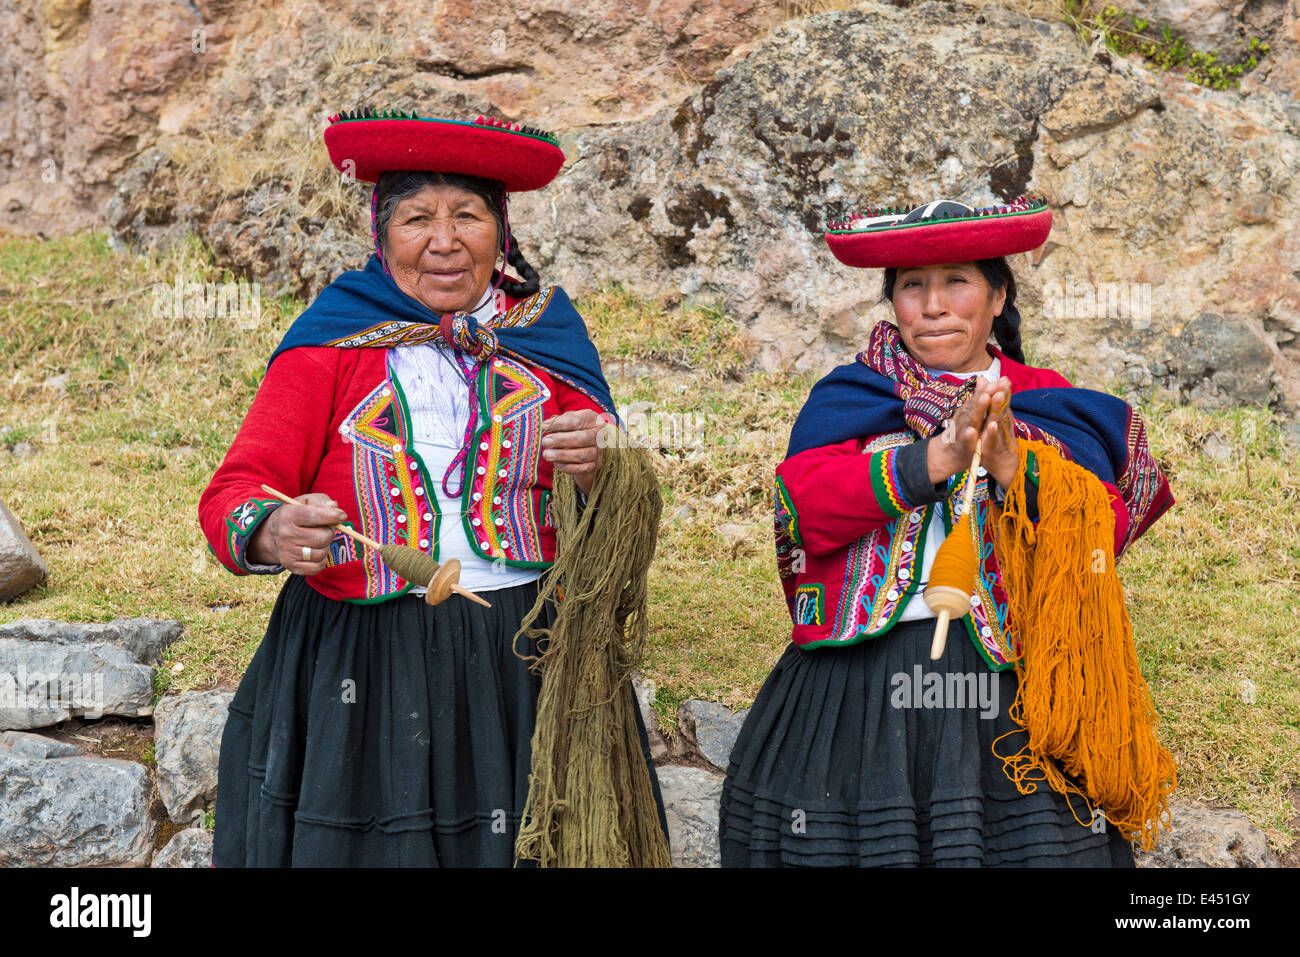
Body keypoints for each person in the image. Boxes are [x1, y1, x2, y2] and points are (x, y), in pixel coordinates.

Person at [199, 109, 667, 867]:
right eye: (417, 218)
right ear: (380, 237)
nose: (444, 241)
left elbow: (618, 494)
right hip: (364, 653)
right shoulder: (331, 344)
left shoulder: (547, 338)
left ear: (502, 232)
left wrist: (601, 462)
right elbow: (235, 490)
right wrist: (271, 529)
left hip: (525, 650)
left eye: (468, 215)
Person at [719, 196, 1176, 867]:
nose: (933, 305)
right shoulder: (850, 396)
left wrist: (1013, 469)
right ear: (893, 301)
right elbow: (803, 509)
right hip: (856, 687)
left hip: (1011, 690)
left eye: (957, 280)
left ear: (998, 296)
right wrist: (929, 461)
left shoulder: (1050, 401)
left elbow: (1100, 526)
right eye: (912, 285)